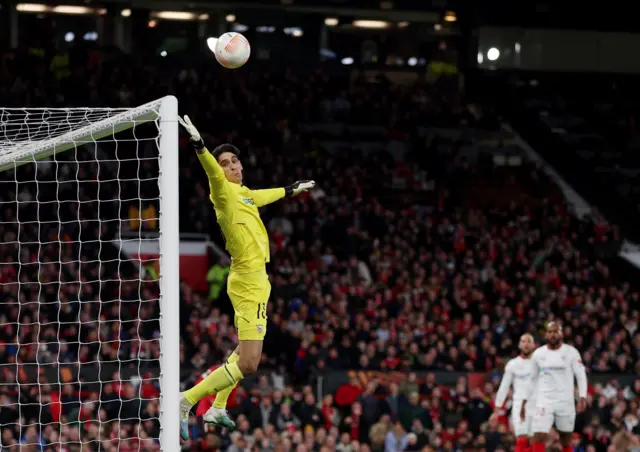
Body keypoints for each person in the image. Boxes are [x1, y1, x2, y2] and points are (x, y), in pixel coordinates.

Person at [177, 115, 315, 440]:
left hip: (258, 281)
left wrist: (291, 189)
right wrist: (200, 147)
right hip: (247, 282)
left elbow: (267, 194)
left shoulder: (247, 194)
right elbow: (210, 171)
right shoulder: (222, 194)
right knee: (251, 364)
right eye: (226, 163)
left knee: (242, 352)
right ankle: (187, 400)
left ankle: (218, 407)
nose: (232, 166)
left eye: (235, 161)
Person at [521, 322, 588, 452]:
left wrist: (582, 396)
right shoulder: (538, 354)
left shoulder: (571, 352)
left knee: (566, 439)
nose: (552, 334)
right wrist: (524, 400)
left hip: (565, 401)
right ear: (546, 334)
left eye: (555, 331)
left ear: (561, 334)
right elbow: (531, 379)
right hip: (545, 401)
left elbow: (581, 375)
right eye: (550, 332)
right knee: (539, 435)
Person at [491, 333, 537, 452]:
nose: (526, 344)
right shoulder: (513, 364)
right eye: (523, 341)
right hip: (519, 406)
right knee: (521, 438)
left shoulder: (540, 363)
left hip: (536, 406)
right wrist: (496, 411)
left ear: (533, 345)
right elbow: (504, 388)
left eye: (528, 341)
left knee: (535, 441)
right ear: (519, 345)